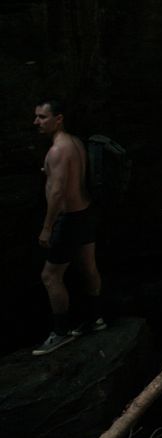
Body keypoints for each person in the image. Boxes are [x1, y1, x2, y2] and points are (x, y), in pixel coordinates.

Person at [32, 99, 105, 356]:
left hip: (69, 218)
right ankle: (95, 318)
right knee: (88, 267)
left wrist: (47, 227)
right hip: (85, 213)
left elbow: (58, 192)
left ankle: (60, 333)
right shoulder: (75, 143)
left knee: (50, 276)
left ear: (59, 119)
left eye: (42, 117)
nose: (36, 122)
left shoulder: (57, 151)